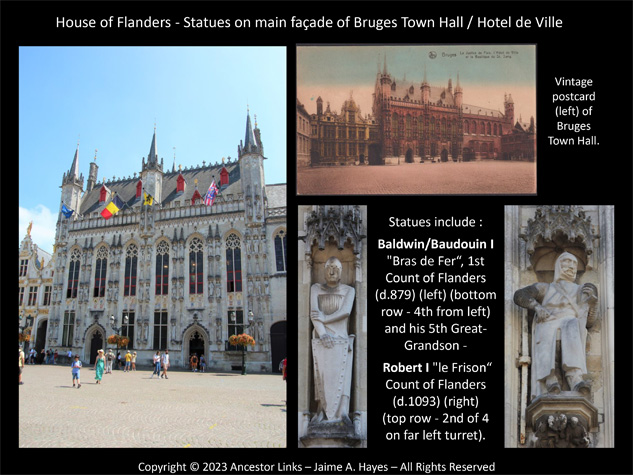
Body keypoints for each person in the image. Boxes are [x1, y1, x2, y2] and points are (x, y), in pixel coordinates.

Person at [514, 252, 598, 399]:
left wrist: (592, 304)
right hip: (548, 323)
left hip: (570, 326)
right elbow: (520, 296)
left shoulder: (580, 290)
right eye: (567, 262)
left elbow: (589, 322)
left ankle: (575, 379)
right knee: (548, 329)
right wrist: (538, 308)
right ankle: (550, 380)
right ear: (558, 265)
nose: (571, 266)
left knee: (571, 324)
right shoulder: (545, 288)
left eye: (574, 263)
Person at [310, 257, 356, 424]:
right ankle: (321, 411)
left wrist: (324, 318)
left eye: (336, 268)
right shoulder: (315, 288)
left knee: (342, 377)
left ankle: (343, 413)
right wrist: (322, 334)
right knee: (321, 376)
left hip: (341, 339)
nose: (331, 271)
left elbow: (345, 312)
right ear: (323, 270)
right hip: (322, 339)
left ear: (341, 272)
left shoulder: (349, 290)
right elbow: (313, 314)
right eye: (328, 267)